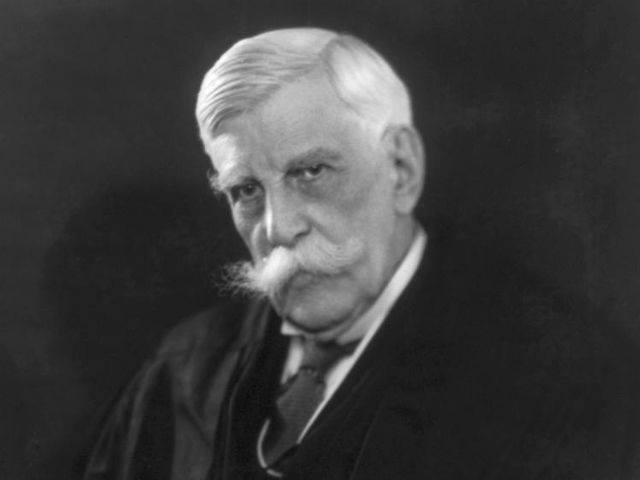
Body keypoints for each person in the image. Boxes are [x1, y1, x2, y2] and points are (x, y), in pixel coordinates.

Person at [83, 28, 640, 480]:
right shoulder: (183, 371)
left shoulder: (563, 381)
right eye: (246, 190)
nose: (278, 228)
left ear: (401, 169)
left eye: (310, 172)